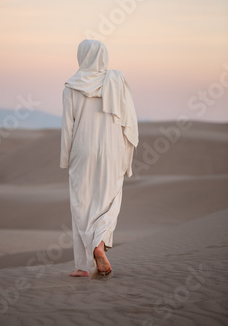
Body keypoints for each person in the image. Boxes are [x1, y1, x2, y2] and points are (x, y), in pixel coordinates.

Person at [60, 39, 139, 278]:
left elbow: (67, 127)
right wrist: (127, 158)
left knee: (82, 204)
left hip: (82, 150)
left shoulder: (71, 86)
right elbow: (129, 122)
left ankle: (83, 266)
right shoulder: (117, 80)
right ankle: (100, 244)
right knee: (110, 200)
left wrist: (66, 159)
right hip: (112, 149)